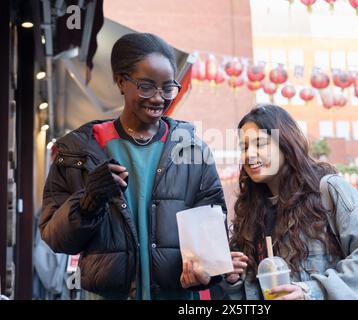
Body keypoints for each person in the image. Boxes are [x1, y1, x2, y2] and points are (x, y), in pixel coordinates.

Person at [40, 33, 227, 300]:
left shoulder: (194, 152)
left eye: (167, 88)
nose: (159, 98)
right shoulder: (78, 151)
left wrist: (206, 273)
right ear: (120, 82)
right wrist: (89, 200)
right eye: (146, 86)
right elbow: (55, 238)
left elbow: (213, 238)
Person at [218, 104, 358, 300]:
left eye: (260, 144)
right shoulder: (249, 212)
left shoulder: (328, 190)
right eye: (244, 147)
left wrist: (312, 291)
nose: (249, 155)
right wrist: (234, 280)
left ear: (285, 144)